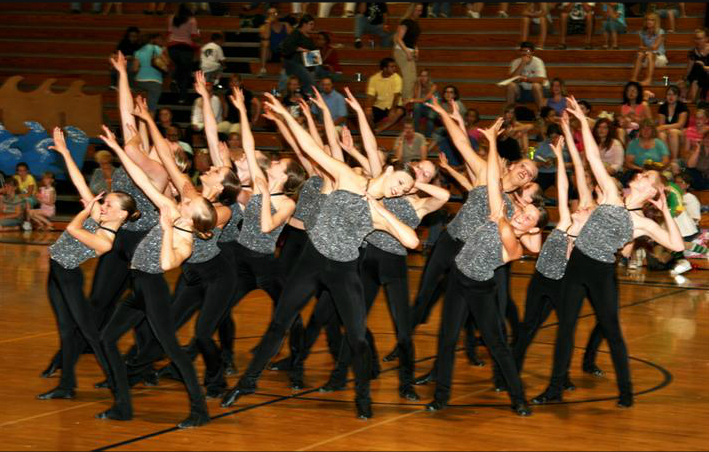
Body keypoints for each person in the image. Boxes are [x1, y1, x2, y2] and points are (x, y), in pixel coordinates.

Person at [221, 91, 420, 419]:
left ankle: (363, 398)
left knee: (357, 337)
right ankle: (246, 383)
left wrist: (381, 210)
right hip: (312, 260)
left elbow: (412, 242)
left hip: (344, 270)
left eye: (406, 188)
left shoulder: (381, 212)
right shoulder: (347, 176)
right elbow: (311, 148)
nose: (401, 188)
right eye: (401, 180)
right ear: (388, 170)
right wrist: (286, 116)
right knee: (279, 323)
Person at [532, 96, 684, 408]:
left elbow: (677, 246)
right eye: (641, 174)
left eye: (645, 177)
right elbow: (591, 157)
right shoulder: (612, 195)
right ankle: (555, 388)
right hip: (577, 264)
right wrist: (579, 121)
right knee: (566, 329)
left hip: (601, 273)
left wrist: (665, 211)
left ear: (652, 191)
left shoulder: (642, 223)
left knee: (613, 333)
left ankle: (626, 392)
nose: (639, 175)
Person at [425, 118, 546, 417]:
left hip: (479, 289)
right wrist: (492, 142)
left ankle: (519, 399)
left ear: (531, 228)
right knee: (447, 337)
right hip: (458, 277)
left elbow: (532, 245)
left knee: (497, 344)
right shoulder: (501, 213)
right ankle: (441, 397)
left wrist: (518, 220)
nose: (522, 216)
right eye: (524, 212)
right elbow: (493, 179)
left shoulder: (512, 239)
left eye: (528, 219)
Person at [97, 123, 215, 428]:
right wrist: (118, 149)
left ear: (192, 218)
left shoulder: (185, 242)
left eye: (189, 203)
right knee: (107, 339)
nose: (184, 198)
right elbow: (142, 181)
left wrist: (165, 230)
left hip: (152, 288)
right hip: (137, 285)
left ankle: (200, 411)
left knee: (172, 349)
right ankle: (123, 406)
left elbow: (164, 263)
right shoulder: (171, 211)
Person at [37, 128, 139, 401]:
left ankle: (117, 387)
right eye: (104, 202)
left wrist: (85, 211)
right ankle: (66, 386)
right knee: (66, 330)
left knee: (90, 334)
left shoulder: (105, 240)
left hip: (69, 276)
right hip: (55, 273)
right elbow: (79, 181)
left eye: (109, 205)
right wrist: (65, 152)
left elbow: (72, 228)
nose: (102, 205)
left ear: (122, 215)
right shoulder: (98, 215)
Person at [167, 4, 200, 103]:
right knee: (185, 74)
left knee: (178, 67)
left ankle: (174, 80)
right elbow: (194, 36)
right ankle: (182, 97)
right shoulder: (192, 20)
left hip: (172, 48)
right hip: (186, 49)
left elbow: (169, 33)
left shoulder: (172, 18)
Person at [279, 14, 317, 96]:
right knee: (310, 82)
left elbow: (313, 55)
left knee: (314, 75)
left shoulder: (308, 37)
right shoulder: (296, 34)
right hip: (294, 64)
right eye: (311, 24)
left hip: (307, 64)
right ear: (304, 24)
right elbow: (286, 45)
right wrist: (301, 49)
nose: (312, 27)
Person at [506, 41, 550, 109]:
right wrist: (522, 64)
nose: (525, 53)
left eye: (527, 51)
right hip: (523, 91)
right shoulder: (515, 62)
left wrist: (526, 79)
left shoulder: (538, 61)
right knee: (511, 86)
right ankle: (510, 112)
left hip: (539, 90)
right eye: (522, 51)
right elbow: (511, 79)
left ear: (532, 52)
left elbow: (541, 79)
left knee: (536, 85)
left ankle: (542, 112)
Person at [393, 3, 422, 103]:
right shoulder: (405, 22)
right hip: (402, 51)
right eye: (417, 10)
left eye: (420, 10)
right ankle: (405, 100)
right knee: (408, 77)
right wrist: (407, 52)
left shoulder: (415, 23)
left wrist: (416, 50)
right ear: (412, 10)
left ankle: (405, 100)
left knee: (412, 78)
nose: (419, 12)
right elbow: (398, 39)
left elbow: (412, 40)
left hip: (409, 51)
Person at [366, 57, 405, 133]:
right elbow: (370, 96)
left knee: (399, 111)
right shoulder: (373, 79)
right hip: (379, 105)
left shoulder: (397, 78)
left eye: (395, 66)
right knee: (366, 113)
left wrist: (392, 110)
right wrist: (368, 108)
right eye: (392, 67)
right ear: (384, 68)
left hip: (394, 105)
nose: (394, 69)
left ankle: (378, 130)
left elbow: (396, 96)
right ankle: (371, 131)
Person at [631, 12, 667, 86]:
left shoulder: (661, 32)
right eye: (647, 19)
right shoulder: (642, 32)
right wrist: (646, 49)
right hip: (647, 56)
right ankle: (633, 79)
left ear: (656, 22)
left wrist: (646, 49)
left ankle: (648, 80)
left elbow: (655, 47)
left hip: (659, 57)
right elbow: (640, 48)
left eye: (652, 20)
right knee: (640, 54)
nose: (649, 21)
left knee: (650, 54)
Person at [133, 37, 167, 113]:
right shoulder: (157, 49)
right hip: (155, 82)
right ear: (151, 40)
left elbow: (135, 69)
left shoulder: (138, 52)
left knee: (140, 108)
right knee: (151, 109)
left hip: (140, 82)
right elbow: (166, 62)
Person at [657, 85, 689, 161]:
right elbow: (661, 125)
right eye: (669, 94)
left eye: (674, 94)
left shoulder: (682, 106)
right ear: (666, 96)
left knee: (673, 132)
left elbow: (680, 124)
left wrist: (665, 127)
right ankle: (667, 159)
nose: (671, 97)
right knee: (661, 134)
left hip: (681, 131)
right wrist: (664, 128)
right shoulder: (662, 107)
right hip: (667, 131)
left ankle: (675, 160)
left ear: (678, 97)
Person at [258, 7, 292, 77]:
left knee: (287, 45)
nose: (272, 15)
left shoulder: (285, 25)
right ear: (267, 16)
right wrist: (268, 23)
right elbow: (266, 37)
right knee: (265, 43)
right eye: (270, 14)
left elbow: (293, 37)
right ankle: (263, 69)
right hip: (270, 53)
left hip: (283, 51)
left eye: (274, 13)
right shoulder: (263, 27)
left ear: (278, 15)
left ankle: (284, 68)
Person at [410, 68, 438, 137]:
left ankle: (428, 136)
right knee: (416, 106)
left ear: (428, 77)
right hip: (422, 108)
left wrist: (411, 100)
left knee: (430, 116)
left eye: (425, 76)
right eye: (421, 76)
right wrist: (419, 85)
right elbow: (418, 98)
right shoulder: (417, 85)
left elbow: (424, 100)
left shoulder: (433, 86)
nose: (423, 78)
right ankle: (416, 133)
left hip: (431, 109)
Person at [685, 28, 709, 103]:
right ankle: (695, 98)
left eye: (700, 39)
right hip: (697, 77)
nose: (698, 41)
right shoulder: (692, 52)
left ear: (706, 39)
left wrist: (704, 66)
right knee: (697, 68)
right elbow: (689, 70)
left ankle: (694, 98)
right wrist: (684, 80)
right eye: (696, 39)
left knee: (699, 67)